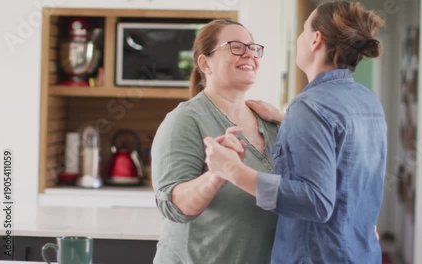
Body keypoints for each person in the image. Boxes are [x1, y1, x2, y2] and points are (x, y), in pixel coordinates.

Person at [203, 1, 387, 263]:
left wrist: (232, 170)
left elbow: (315, 202)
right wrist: (289, 121)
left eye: (303, 30)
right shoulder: (367, 101)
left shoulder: (310, 106)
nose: (299, 38)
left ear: (315, 40)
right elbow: (347, 168)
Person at [150, 19, 279, 264]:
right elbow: (173, 206)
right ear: (204, 63)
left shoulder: (271, 122)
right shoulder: (185, 120)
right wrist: (217, 175)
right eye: (236, 47)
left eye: (253, 47)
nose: (249, 54)